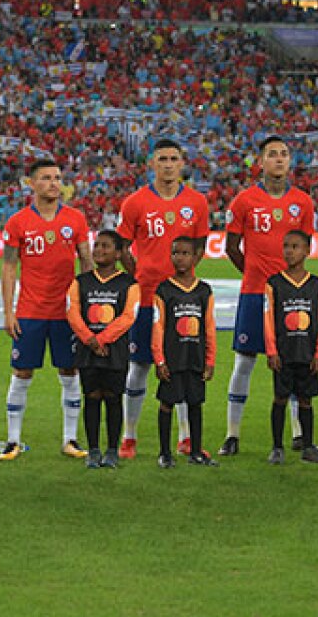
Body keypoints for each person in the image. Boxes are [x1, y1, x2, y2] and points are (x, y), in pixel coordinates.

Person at [219, 135, 315, 456]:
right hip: (254, 294)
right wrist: (252, 273)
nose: (278, 159)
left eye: (284, 154)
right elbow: (232, 246)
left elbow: (304, 247)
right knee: (244, 362)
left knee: (294, 363)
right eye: (272, 154)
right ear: (260, 162)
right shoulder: (244, 201)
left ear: (290, 161)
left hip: (290, 298)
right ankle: (232, 435)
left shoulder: (302, 202)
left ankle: (299, 433)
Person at [116, 140, 210, 459]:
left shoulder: (196, 202)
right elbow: (122, 247)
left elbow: (200, 245)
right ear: (152, 164)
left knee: (184, 367)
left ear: (182, 163)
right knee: (140, 366)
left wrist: (185, 278)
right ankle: (129, 437)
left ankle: (185, 439)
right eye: (162, 159)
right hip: (146, 299)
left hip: (184, 301)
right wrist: (139, 271)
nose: (168, 164)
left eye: (174, 159)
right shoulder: (135, 202)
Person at [0, 159, 92, 461]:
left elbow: (87, 264)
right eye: (46, 178)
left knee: (70, 371)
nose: (54, 183)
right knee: (22, 372)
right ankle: (13, 440)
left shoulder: (76, 219)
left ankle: (70, 439)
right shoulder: (18, 222)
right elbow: (9, 268)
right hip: (30, 311)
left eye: (57, 177)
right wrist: (8, 312)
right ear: (32, 183)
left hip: (66, 312)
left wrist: (87, 304)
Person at [66, 230, 139, 469]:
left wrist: (104, 339)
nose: (99, 250)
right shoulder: (81, 282)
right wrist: (90, 339)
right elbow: (73, 312)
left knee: (113, 398)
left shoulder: (129, 283)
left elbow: (129, 316)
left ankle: (111, 451)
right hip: (88, 350)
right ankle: (94, 450)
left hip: (115, 350)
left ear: (118, 253)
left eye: (106, 246)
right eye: (96, 245)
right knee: (92, 397)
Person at [264, 230, 318, 464]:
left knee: (306, 400)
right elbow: (269, 319)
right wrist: (271, 351)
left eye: (295, 247)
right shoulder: (274, 283)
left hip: (307, 352)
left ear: (307, 251)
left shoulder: (316, 285)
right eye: (286, 246)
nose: (289, 251)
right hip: (284, 352)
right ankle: (277, 447)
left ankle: (308, 446)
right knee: (280, 398)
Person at [152, 236, 217, 468]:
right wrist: (159, 360)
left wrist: (210, 360)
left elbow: (209, 326)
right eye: (175, 253)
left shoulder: (203, 290)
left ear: (195, 256)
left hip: (195, 357)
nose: (179, 258)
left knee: (195, 402)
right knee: (167, 403)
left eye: (185, 253)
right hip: (173, 358)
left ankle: (196, 452)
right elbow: (158, 325)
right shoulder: (164, 289)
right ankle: (164, 453)